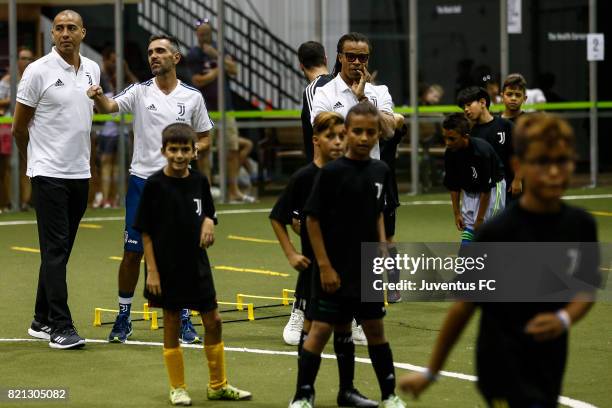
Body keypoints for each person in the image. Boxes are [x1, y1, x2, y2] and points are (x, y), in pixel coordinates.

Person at [399, 113, 600, 407]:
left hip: (550, 362)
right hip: (502, 366)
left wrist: (563, 317)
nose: (555, 172)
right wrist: (431, 371)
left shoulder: (580, 225)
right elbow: (463, 307)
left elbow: (586, 287)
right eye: (543, 162)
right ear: (519, 165)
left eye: (562, 161)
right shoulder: (497, 233)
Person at [87, 34, 213, 344]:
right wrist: (97, 96)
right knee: (132, 253)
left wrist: (192, 152)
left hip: (180, 186)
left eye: (160, 51)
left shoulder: (192, 97)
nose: (153, 56)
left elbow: (206, 136)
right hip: (143, 183)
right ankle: (123, 316)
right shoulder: (139, 92)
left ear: (176, 58)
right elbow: (109, 107)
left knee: (182, 253)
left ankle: (183, 318)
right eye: (150, 52)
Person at [289, 102, 405, 408]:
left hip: (364, 268)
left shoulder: (381, 171)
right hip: (333, 269)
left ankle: (390, 395)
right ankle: (303, 395)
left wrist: (382, 255)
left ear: (379, 134)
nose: (364, 138)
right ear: (347, 133)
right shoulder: (331, 173)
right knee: (320, 330)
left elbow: (379, 214)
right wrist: (325, 266)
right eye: (357, 132)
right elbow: (311, 220)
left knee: (376, 331)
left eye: (371, 132)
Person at [135, 123, 251, 405]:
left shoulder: (199, 181)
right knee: (172, 321)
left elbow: (208, 211)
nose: (178, 155)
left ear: (193, 151)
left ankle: (218, 385)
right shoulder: (154, 186)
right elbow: (146, 231)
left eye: (184, 149)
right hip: (165, 267)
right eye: (173, 149)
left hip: (197, 263)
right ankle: (177, 387)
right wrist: (152, 271)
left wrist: (209, 221)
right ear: (163, 151)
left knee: (214, 320)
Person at [271, 112, 378, 407]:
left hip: (347, 266)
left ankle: (347, 390)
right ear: (316, 140)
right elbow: (277, 218)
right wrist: (292, 253)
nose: (339, 142)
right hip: (315, 269)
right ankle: (303, 393)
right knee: (312, 330)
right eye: (332, 136)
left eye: (342, 136)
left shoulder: (350, 173)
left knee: (343, 326)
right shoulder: (304, 177)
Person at [13, 10, 100, 349]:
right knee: (55, 250)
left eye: (71, 28)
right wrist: (32, 162)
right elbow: (19, 127)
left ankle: (40, 319)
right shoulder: (37, 71)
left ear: (83, 33)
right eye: (59, 28)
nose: (65, 33)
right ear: (52, 34)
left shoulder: (92, 68)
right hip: (48, 174)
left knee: (58, 252)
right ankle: (60, 327)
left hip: (80, 173)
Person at [187, 19, 255, 203]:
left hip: (227, 109)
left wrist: (217, 56)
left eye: (207, 34)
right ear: (196, 35)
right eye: (201, 34)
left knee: (232, 149)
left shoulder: (219, 50)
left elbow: (234, 70)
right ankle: (206, 191)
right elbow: (198, 80)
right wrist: (218, 71)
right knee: (204, 152)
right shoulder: (193, 54)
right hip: (205, 110)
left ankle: (233, 191)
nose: (204, 37)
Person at [310, 32, 404, 160]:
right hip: (337, 171)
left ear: (368, 59)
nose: (356, 62)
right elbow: (322, 136)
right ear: (340, 57)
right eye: (351, 57)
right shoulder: (324, 93)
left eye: (362, 57)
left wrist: (363, 99)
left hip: (370, 170)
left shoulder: (380, 91)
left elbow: (389, 131)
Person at [441, 113, 505, 242]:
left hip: (492, 189)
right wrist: (457, 213)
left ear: (465, 137)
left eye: (452, 139)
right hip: (470, 190)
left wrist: (480, 219)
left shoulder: (482, 152)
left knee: (487, 226)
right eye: (445, 138)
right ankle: (466, 259)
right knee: (469, 226)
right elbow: (453, 186)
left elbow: (486, 190)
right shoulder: (450, 153)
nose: (447, 143)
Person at [93, 46, 138, 209]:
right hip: (110, 133)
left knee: (117, 167)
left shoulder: (127, 88)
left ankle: (115, 198)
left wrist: (126, 70)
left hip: (119, 133)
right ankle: (107, 199)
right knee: (109, 166)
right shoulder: (104, 80)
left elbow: (137, 86)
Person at [457, 86, 520, 204]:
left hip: (509, 187)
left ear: (482, 102)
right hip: (485, 191)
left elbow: (519, 154)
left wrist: (517, 180)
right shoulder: (471, 134)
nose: (465, 110)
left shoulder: (505, 125)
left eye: (469, 104)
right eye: (463, 107)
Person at [0, 46, 35, 212]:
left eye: (29, 58)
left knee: (27, 165)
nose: (26, 61)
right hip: (8, 127)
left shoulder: (35, 77)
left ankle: (25, 202)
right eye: (23, 58)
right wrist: (13, 100)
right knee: (7, 166)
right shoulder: (8, 80)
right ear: (17, 61)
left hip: (31, 127)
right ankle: (7, 203)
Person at [297, 41, 334, 162]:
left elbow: (321, 133)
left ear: (301, 66)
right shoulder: (341, 83)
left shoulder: (313, 90)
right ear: (326, 60)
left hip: (326, 168)